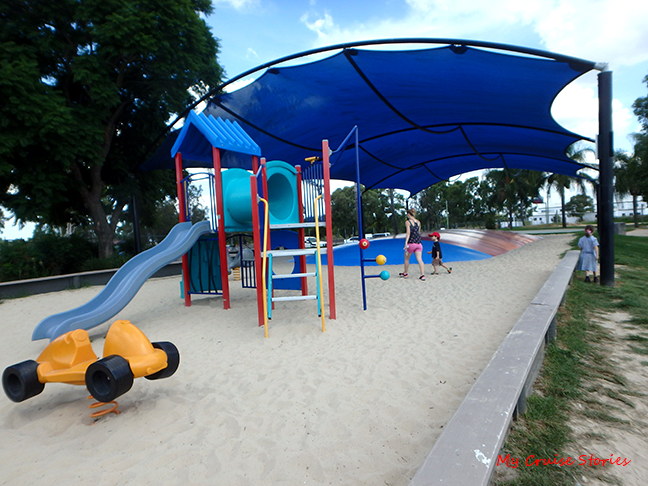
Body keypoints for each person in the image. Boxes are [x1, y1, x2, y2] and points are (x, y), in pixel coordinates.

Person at [400, 208, 426, 280]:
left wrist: (406, 243)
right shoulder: (418, 222)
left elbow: (408, 233)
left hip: (411, 243)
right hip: (418, 243)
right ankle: (422, 274)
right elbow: (418, 232)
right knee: (420, 259)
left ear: (408, 214)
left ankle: (405, 273)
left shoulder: (408, 222)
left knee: (406, 259)